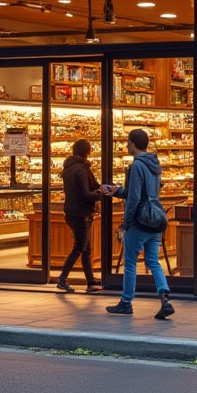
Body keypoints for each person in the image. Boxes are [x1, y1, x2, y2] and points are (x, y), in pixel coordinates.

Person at [105, 128, 174, 319]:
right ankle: (164, 298)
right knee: (153, 260)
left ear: (133, 144)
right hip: (155, 218)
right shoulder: (155, 164)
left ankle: (126, 302)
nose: (126, 145)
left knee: (130, 263)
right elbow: (148, 192)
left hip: (139, 221)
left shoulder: (136, 166)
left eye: (127, 142)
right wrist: (117, 191)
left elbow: (134, 197)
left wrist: (126, 223)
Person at [55, 139, 105, 293]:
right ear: (86, 152)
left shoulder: (69, 167)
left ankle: (90, 281)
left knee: (85, 248)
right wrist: (101, 194)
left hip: (71, 211)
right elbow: (86, 193)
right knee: (80, 247)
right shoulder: (81, 169)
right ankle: (62, 278)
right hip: (81, 213)